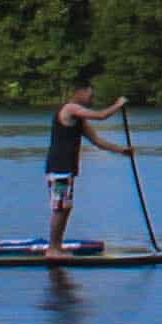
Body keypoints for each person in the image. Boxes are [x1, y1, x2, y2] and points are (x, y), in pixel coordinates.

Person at [42, 90, 130, 251]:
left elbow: (97, 141)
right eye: (90, 94)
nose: (92, 98)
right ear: (79, 92)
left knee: (65, 207)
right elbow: (101, 116)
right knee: (61, 207)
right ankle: (53, 250)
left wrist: (121, 150)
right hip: (59, 169)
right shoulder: (70, 108)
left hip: (67, 170)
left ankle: (56, 247)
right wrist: (118, 105)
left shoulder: (79, 120)